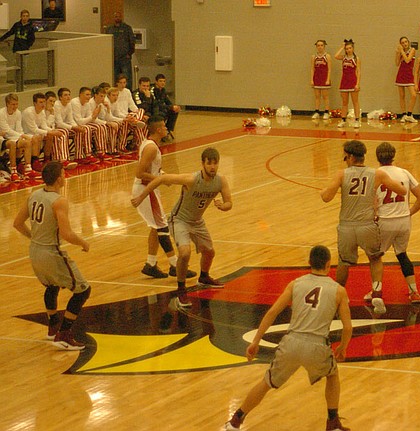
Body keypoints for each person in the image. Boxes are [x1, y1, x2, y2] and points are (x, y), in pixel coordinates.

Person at [224, 245, 352, 431]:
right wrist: (343, 347)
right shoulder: (338, 290)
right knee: (332, 375)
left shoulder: (295, 284)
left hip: (291, 342)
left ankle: (236, 420)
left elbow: (272, 312)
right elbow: (347, 327)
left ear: (309, 263)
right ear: (328, 264)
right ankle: (332, 423)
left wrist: (256, 341)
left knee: (266, 382)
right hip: (317, 345)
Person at [131, 147, 232, 306]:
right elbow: (160, 180)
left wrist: (222, 205)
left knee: (210, 252)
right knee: (185, 253)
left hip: (197, 221)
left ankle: (204, 277)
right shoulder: (191, 179)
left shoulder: (221, 181)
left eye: (215, 163)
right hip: (179, 220)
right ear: (202, 164)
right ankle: (181, 290)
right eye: (209, 163)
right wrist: (141, 196)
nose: (213, 167)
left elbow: (229, 203)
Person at [320, 140, 406, 315]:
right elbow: (402, 191)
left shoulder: (341, 174)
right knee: (375, 259)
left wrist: (324, 191)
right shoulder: (377, 174)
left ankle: (339, 298)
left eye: (345, 156)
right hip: (367, 225)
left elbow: (326, 197)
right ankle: (377, 293)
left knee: (344, 262)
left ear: (350, 156)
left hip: (347, 226)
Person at [13, 161, 91, 350]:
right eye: (64, 174)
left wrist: (35, 237)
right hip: (51, 252)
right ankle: (63, 334)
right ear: (59, 179)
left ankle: (53, 327)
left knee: (52, 286)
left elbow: (17, 223)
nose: (65, 176)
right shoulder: (59, 201)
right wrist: (83, 242)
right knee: (83, 290)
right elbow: (67, 234)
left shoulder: (33, 195)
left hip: (35, 251)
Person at [129, 116, 194, 280]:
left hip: (149, 188)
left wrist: (164, 177)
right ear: (158, 129)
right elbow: (140, 173)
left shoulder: (150, 144)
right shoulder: (151, 148)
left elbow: (152, 171)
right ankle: (175, 265)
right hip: (145, 189)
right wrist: (161, 180)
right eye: (165, 126)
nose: (166, 129)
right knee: (162, 227)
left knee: (155, 226)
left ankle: (150, 264)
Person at [375, 142, 420, 303]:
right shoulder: (404, 172)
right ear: (393, 155)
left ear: (377, 157)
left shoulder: (375, 174)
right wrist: (408, 213)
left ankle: (376, 292)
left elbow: (371, 201)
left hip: (385, 221)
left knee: (375, 257)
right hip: (404, 221)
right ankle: (414, 292)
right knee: (402, 255)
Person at [22, 92, 70, 169]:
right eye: (40, 102)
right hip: (26, 133)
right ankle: (35, 162)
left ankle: (47, 159)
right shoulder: (29, 112)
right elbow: (34, 129)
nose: (43, 104)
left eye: (44, 102)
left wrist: (52, 131)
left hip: (36, 133)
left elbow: (44, 126)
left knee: (50, 135)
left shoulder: (42, 112)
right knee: (37, 137)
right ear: (34, 103)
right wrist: (50, 132)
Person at [0, 93, 39, 182]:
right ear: (7, 104)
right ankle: (14, 170)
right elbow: (6, 130)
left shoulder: (18, 113)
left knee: (27, 142)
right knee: (14, 143)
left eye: (16, 104)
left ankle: (28, 168)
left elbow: (19, 128)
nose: (15, 106)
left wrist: (22, 137)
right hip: (4, 137)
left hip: (14, 136)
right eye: (13, 104)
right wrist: (21, 136)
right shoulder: (1, 113)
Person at [54, 87, 96, 164]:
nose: (68, 97)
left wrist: (76, 127)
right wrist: (73, 127)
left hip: (66, 126)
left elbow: (70, 120)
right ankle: (64, 159)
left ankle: (79, 156)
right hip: (56, 127)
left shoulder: (68, 104)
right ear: (60, 97)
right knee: (64, 133)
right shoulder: (57, 105)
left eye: (69, 95)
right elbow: (59, 123)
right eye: (65, 95)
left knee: (79, 130)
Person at [43, 91, 77, 169]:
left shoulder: (53, 109)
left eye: (53, 101)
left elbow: (53, 124)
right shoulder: (43, 111)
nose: (52, 103)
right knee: (60, 133)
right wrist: (51, 113)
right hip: (43, 132)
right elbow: (47, 125)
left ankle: (68, 158)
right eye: (50, 101)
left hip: (51, 130)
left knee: (61, 132)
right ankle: (60, 160)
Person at [106, 12, 136, 90]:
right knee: (115, 78)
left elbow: (132, 42)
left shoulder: (127, 28)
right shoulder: (109, 29)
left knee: (127, 78)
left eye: (118, 16)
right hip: (114, 58)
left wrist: (129, 53)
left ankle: (128, 93)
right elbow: (106, 41)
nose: (117, 18)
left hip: (124, 58)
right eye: (115, 16)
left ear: (121, 17)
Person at [335, 39, 361, 129]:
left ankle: (357, 120)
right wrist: (342, 47)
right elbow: (336, 56)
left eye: (350, 48)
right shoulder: (343, 57)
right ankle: (343, 120)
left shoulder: (356, 58)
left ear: (353, 48)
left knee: (355, 102)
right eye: (347, 48)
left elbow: (358, 71)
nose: (348, 50)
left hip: (353, 82)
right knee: (344, 102)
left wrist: (357, 84)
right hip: (344, 82)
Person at [152, 74, 180, 141]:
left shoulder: (163, 90)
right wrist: (170, 107)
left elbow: (167, 101)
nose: (162, 83)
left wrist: (174, 106)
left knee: (175, 111)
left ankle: (168, 130)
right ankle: (162, 132)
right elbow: (156, 104)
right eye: (160, 81)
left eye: (164, 81)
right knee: (162, 114)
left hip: (162, 108)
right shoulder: (152, 91)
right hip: (155, 110)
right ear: (156, 82)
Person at [395, 36, 417, 123]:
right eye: (402, 43)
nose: (404, 44)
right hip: (401, 75)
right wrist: (397, 53)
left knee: (413, 95)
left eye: (406, 42)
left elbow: (408, 60)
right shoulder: (401, 52)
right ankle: (404, 114)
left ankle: (409, 114)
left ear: (408, 42)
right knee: (402, 96)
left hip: (409, 75)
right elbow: (397, 63)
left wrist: (401, 51)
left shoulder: (412, 50)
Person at [310, 39, 331, 120]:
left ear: (324, 46)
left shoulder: (327, 56)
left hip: (324, 78)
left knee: (325, 96)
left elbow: (329, 69)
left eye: (321, 45)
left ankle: (326, 112)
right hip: (317, 78)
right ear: (316, 46)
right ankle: (317, 112)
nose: (320, 47)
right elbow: (312, 69)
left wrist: (328, 79)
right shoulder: (313, 57)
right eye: (318, 45)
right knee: (317, 96)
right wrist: (311, 79)